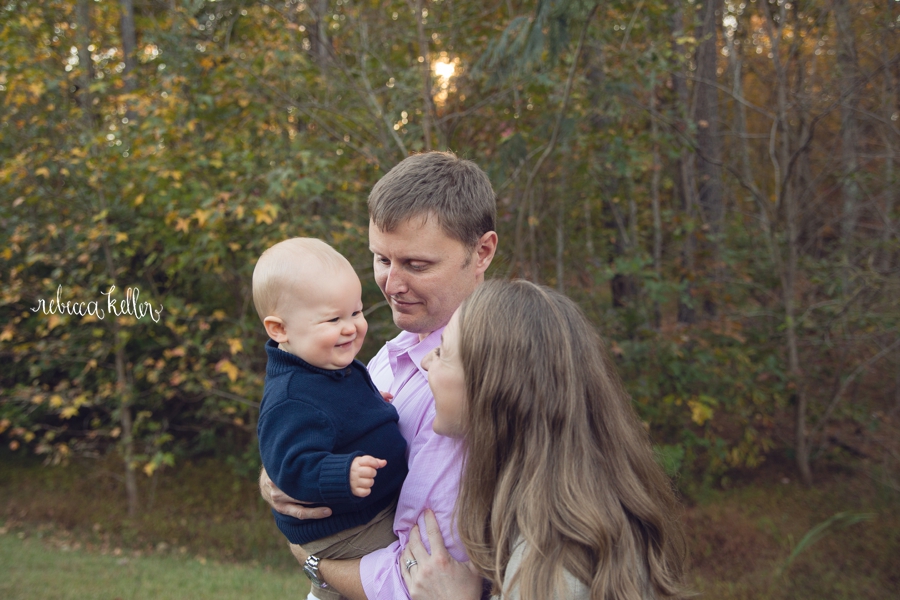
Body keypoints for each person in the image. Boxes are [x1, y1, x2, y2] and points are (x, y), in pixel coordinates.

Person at [258, 151, 499, 600]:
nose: (391, 284)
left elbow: (418, 582)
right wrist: (280, 475)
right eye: (382, 259)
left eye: (417, 264)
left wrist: (310, 558)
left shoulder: (475, 386)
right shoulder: (388, 354)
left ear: (482, 251)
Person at [400, 279, 689, 600]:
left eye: (442, 353)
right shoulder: (567, 508)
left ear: (495, 388)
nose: (426, 362)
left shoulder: (551, 564)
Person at [253, 237, 409, 600]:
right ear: (280, 330)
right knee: (407, 564)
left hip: (366, 513)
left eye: (356, 313)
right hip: (346, 531)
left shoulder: (328, 366)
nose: (351, 327)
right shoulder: (292, 395)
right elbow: (290, 465)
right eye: (333, 319)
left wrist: (371, 404)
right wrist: (341, 473)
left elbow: (342, 409)